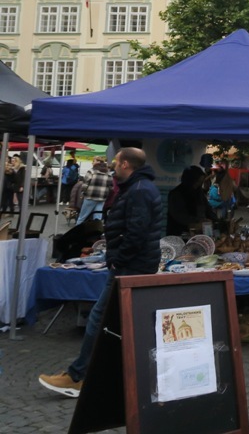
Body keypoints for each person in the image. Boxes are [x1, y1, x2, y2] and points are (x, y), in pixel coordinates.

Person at [39, 147, 164, 398]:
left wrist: (118, 260)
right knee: (125, 321)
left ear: (126, 164)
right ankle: (132, 376)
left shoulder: (139, 191)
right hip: (135, 264)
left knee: (100, 318)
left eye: (116, 162)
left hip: (130, 266)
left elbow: (136, 233)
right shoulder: (140, 188)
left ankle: (78, 376)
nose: (113, 166)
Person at [167, 165, 216, 236]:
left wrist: (213, 219)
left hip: (198, 234)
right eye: (198, 181)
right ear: (190, 180)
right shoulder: (176, 194)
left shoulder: (199, 192)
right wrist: (198, 221)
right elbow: (179, 215)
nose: (199, 184)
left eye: (201, 182)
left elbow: (207, 208)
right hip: (179, 234)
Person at [76, 158, 113, 225]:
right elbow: (111, 186)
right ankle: (96, 232)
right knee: (98, 216)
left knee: (82, 216)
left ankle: (76, 231)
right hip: (102, 197)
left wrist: (83, 192)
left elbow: (85, 184)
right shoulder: (109, 174)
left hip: (90, 196)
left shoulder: (91, 171)